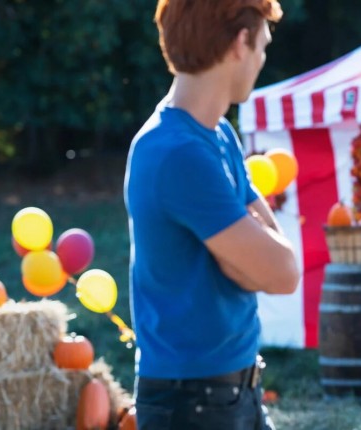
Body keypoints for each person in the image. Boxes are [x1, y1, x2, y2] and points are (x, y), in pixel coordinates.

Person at [123, 1, 299, 429]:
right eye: (262, 46)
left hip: (234, 390)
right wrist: (248, 260)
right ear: (240, 42)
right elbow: (281, 273)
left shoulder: (219, 133)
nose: (261, 60)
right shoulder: (177, 152)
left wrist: (241, 259)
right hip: (191, 402)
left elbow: (280, 262)